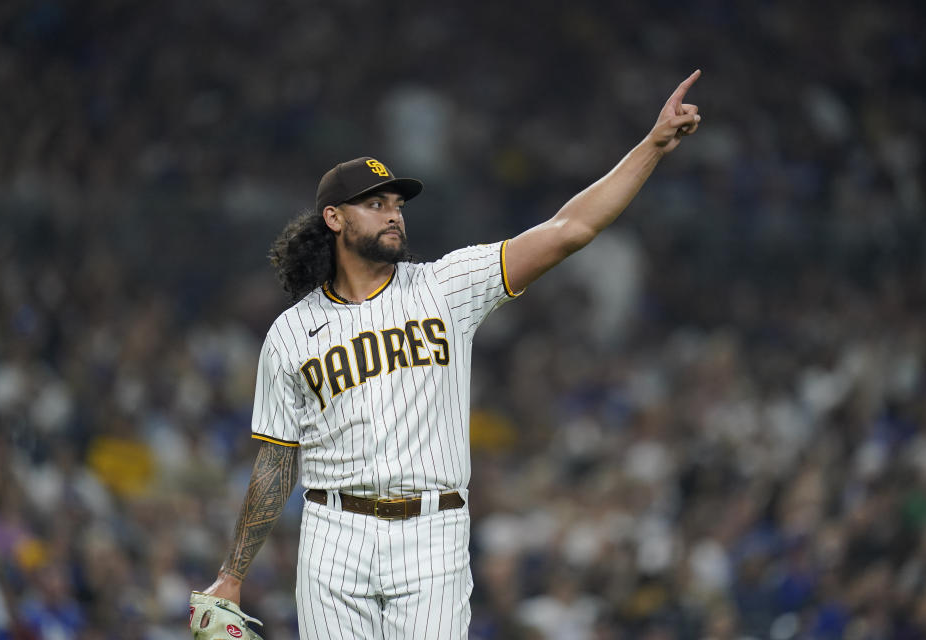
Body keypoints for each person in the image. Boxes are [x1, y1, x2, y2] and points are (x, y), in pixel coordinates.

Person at [192, 70, 702, 639]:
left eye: (397, 203)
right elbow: (274, 462)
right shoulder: (290, 334)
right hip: (333, 532)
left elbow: (568, 229)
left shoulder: (445, 287)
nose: (393, 213)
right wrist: (231, 575)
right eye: (374, 203)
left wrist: (650, 147)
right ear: (334, 219)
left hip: (432, 532)